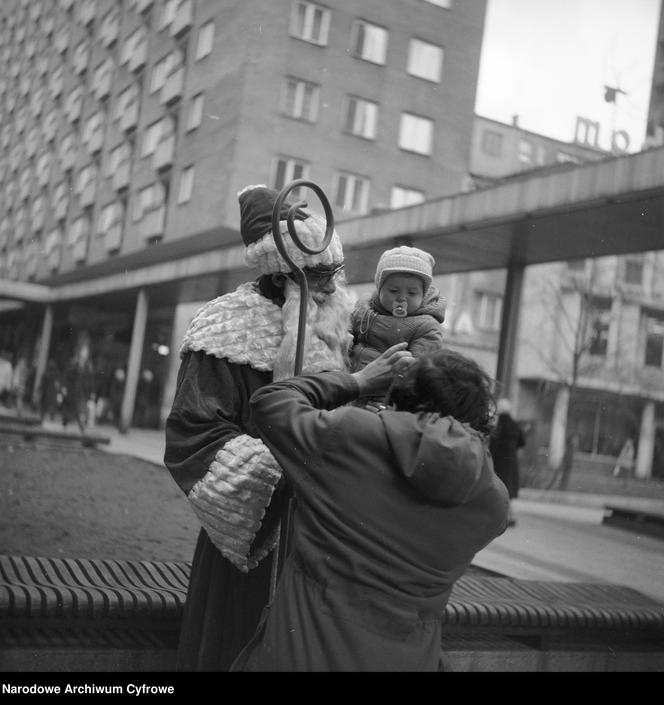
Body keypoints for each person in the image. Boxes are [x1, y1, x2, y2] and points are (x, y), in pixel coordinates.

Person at [163, 184, 355, 671]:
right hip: (259, 535)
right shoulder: (224, 328)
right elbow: (194, 437)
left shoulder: (333, 327)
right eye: (319, 276)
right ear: (283, 275)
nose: (333, 287)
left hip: (323, 539)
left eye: (334, 273)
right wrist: (291, 467)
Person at [231, 344, 509, 672]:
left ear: (397, 397)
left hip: (302, 654)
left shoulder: (350, 435)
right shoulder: (493, 501)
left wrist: (359, 381)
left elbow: (269, 401)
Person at [349, 246, 445, 401]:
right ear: (379, 288)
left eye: (412, 293)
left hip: (382, 394)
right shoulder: (364, 307)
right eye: (393, 291)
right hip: (349, 382)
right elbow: (345, 331)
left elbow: (417, 372)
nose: (402, 298)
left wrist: (389, 401)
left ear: (423, 294)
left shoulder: (426, 326)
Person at [489, 397, 525, 527]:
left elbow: (493, 444)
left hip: (499, 461)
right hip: (512, 461)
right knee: (508, 488)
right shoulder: (514, 424)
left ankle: (507, 516)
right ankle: (510, 515)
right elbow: (522, 441)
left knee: (500, 488)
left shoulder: (499, 425)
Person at [61, 342, 96, 433]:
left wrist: (92, 391)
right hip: (72, 390)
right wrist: (64, 387)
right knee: (72, 409)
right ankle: (67, 424)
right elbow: (67, 376)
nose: (84, 354)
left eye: (86, 352)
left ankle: (81, 427)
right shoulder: (73, 364)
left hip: (83, 392)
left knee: (80, 409)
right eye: (83, 352)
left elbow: (90, 381)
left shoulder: (88, 367)